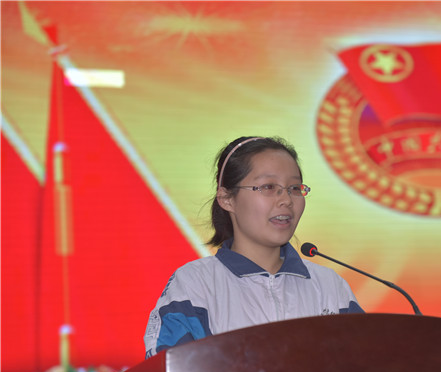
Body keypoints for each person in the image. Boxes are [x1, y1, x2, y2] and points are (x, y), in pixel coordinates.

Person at [143, 136, 364, 358]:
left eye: (294, 188)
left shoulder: (329, 286)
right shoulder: (195, 284)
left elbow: (366, 367)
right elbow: (167, 370)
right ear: (227, 199)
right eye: (269, 187)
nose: (287, 200)